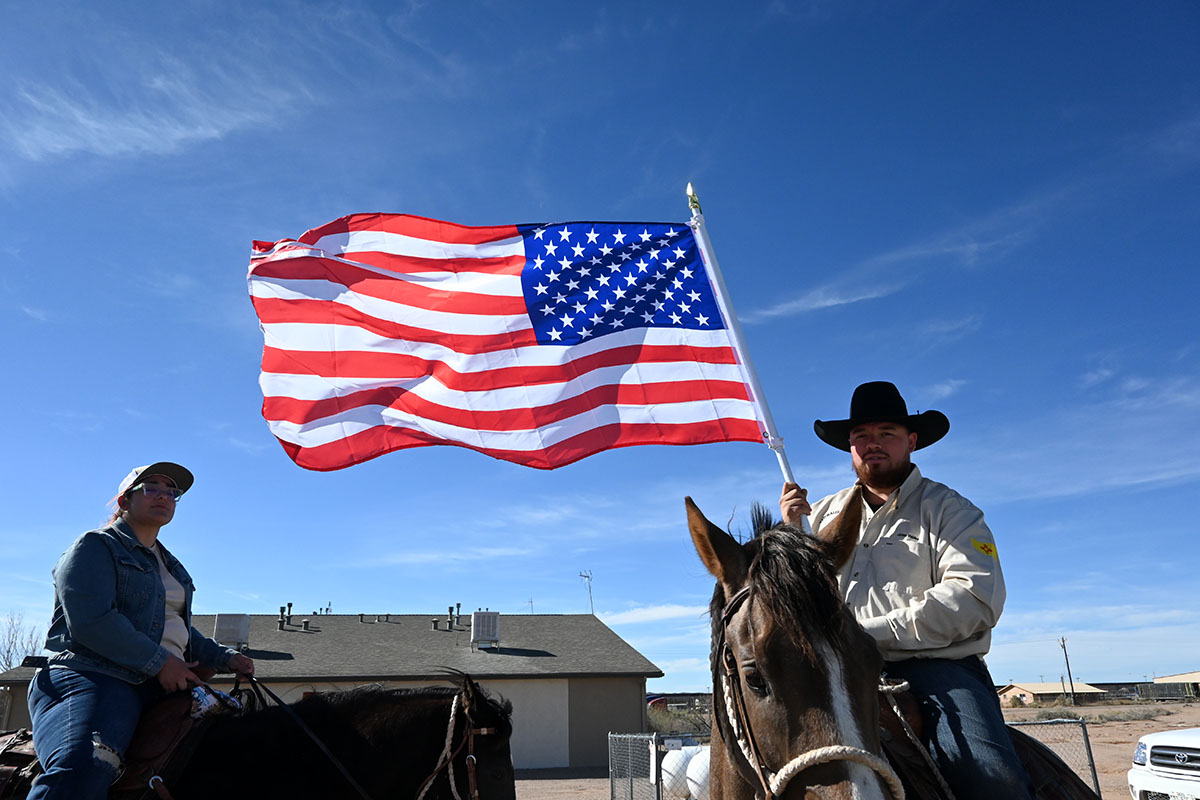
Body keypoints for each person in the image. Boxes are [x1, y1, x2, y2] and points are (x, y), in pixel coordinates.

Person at [779, 382, 1033, 800]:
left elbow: (972, 598)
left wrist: (863, 634)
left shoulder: (951, 511)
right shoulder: (819, 514)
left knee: (992, 777)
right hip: (838, 670)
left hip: (935, 670)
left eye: (886, 434)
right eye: (861, 436)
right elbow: (802, 600)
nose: (871, 444)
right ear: (849, 446)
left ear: (911, 441)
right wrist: (792, 532)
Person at [27, 462, 255, 800]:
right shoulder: (95, 547)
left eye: (171, 492)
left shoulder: (171, 566)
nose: (164, 496)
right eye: (151, 488)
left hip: (164, 689)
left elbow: (178, 631)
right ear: (124, 500)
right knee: (84, 767)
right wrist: (161, 662)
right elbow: (92, 621)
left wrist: (227, 657)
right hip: (95, 678)